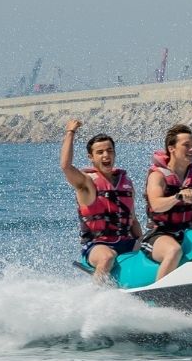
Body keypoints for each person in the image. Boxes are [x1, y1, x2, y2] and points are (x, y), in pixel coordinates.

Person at [60, 118, 142, 281]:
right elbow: (66, 166)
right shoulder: (87, 183)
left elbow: (132, 219)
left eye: (110, 151)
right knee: (107, 257)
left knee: (154, 248)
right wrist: (70, 132)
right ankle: (97, 296)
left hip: (126, 241)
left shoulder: (125, 183)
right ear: (91, 157)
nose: (106, 155)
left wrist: (142, 240)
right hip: (97, 246)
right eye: (100, 152)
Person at [141, 123, 192, 280]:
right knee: (173, 251)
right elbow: (156, 205)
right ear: (171, 148)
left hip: (190, 230)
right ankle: (158, 298)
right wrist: (177, 197)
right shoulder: (158, 176)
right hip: (161, 233)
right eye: (186, 145)